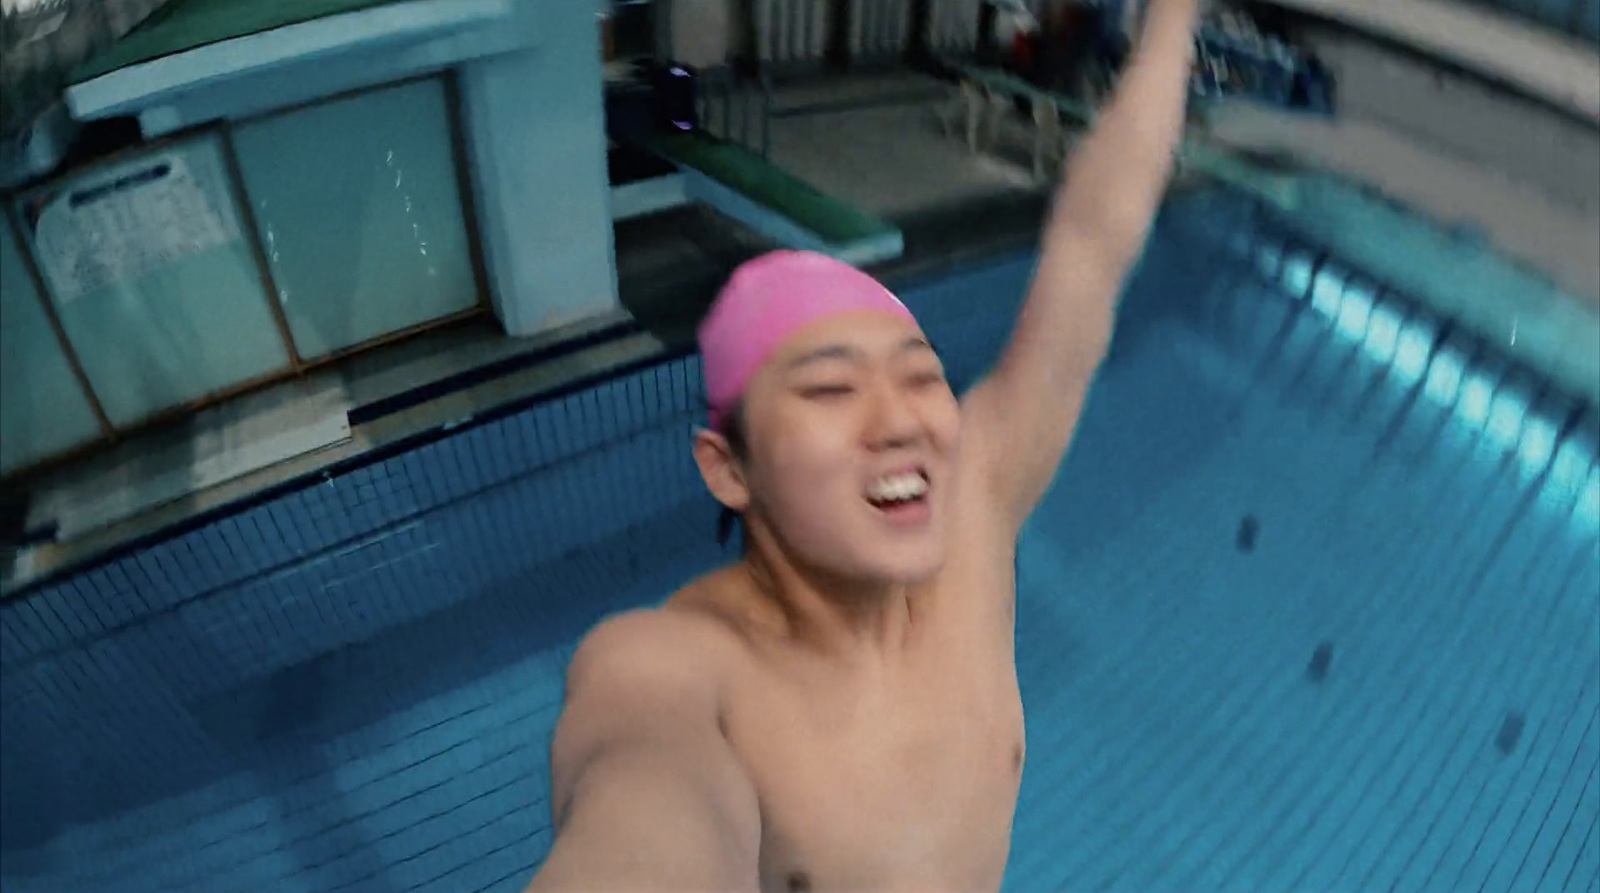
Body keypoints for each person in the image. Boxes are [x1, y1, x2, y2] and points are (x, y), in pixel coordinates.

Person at [527, 0, 1200, 889]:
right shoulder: (675, 670)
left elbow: (1092, 242)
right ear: (728, 469)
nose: (901, 418)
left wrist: (1177, 13)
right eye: (832, 388)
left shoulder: (977, 515)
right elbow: (643, 810)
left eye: (922, 376)